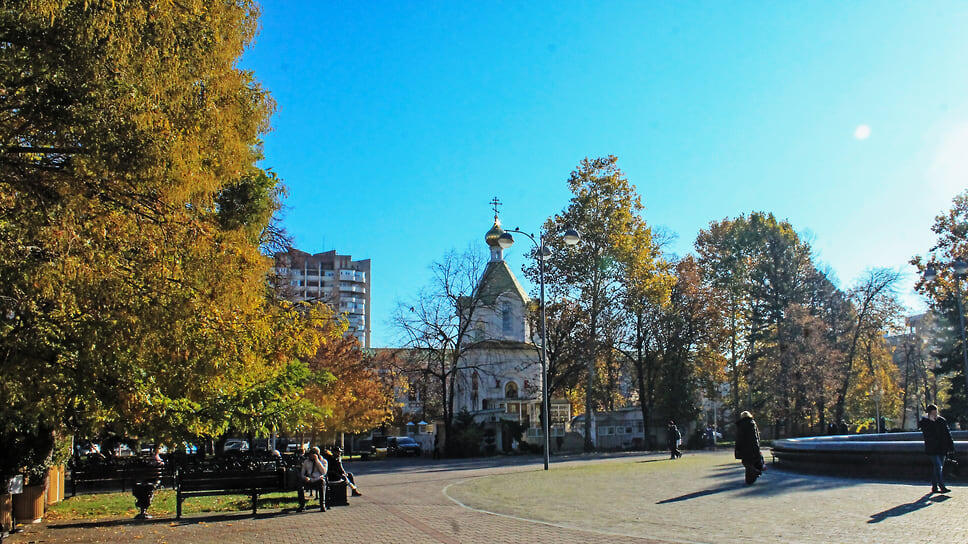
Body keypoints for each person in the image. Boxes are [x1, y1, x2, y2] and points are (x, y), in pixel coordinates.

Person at [918, 404, 955, 494]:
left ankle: (934, 487)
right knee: (938, 466)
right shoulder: (925, 422)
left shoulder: (942, 420)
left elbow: (947, 433)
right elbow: (927, 434)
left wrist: (951, 446)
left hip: (942, 448)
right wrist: (931, 422)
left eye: (936, 412)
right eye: (933, 413)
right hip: (932, 448)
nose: (935, 414)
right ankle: (942, 486)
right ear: (929, 413)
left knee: (937, 468)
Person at [735, 411, 764, 485]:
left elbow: (739, 438)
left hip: (744, 447)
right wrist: (757, 447)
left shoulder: (741, 425)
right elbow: (756, 437)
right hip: (752, 446)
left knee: (746, 462)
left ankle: (751, 476)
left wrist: (738, 448)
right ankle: (751, 478)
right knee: (751, 462)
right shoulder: (752, 423)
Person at [298, 447, 328, 511]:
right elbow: (302, 474)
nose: (311, 456)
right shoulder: (306, 461)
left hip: (318, 480)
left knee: (322, 482)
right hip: (309, 480)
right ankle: (302, 505)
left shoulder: (323, 461)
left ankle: (322, 505)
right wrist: (305, 478)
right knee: (300, 484)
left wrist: (317, 461)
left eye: (313, 454)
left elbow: (324, 472)